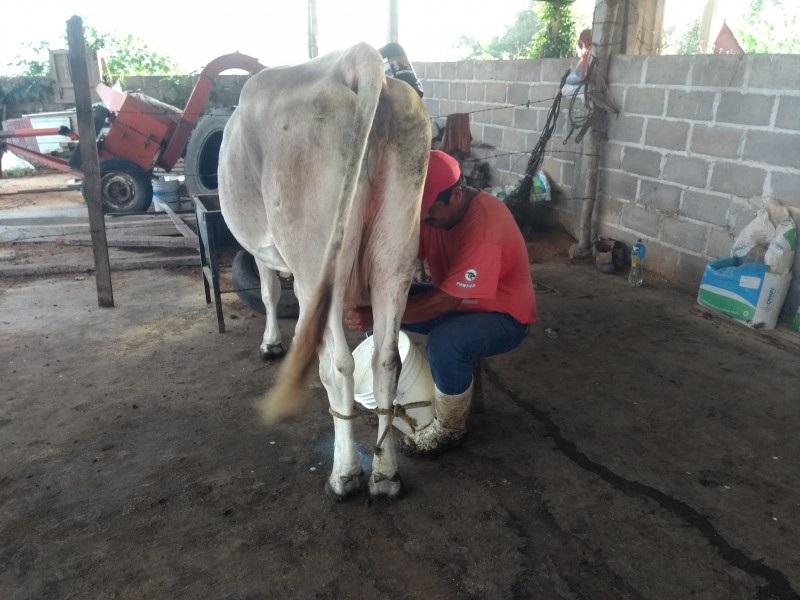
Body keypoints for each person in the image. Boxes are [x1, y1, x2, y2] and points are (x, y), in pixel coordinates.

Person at [345, 150, 537, 457]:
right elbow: (402, 255)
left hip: (503, 316)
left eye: (431, 213)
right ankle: (388, 391)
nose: (426, 221)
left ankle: (449, 429)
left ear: (457, 195)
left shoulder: (486, 224)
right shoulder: (434, 215)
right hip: (458, 302)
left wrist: (377, 317)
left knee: (445, 343)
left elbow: (446, 301)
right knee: (385, 300)